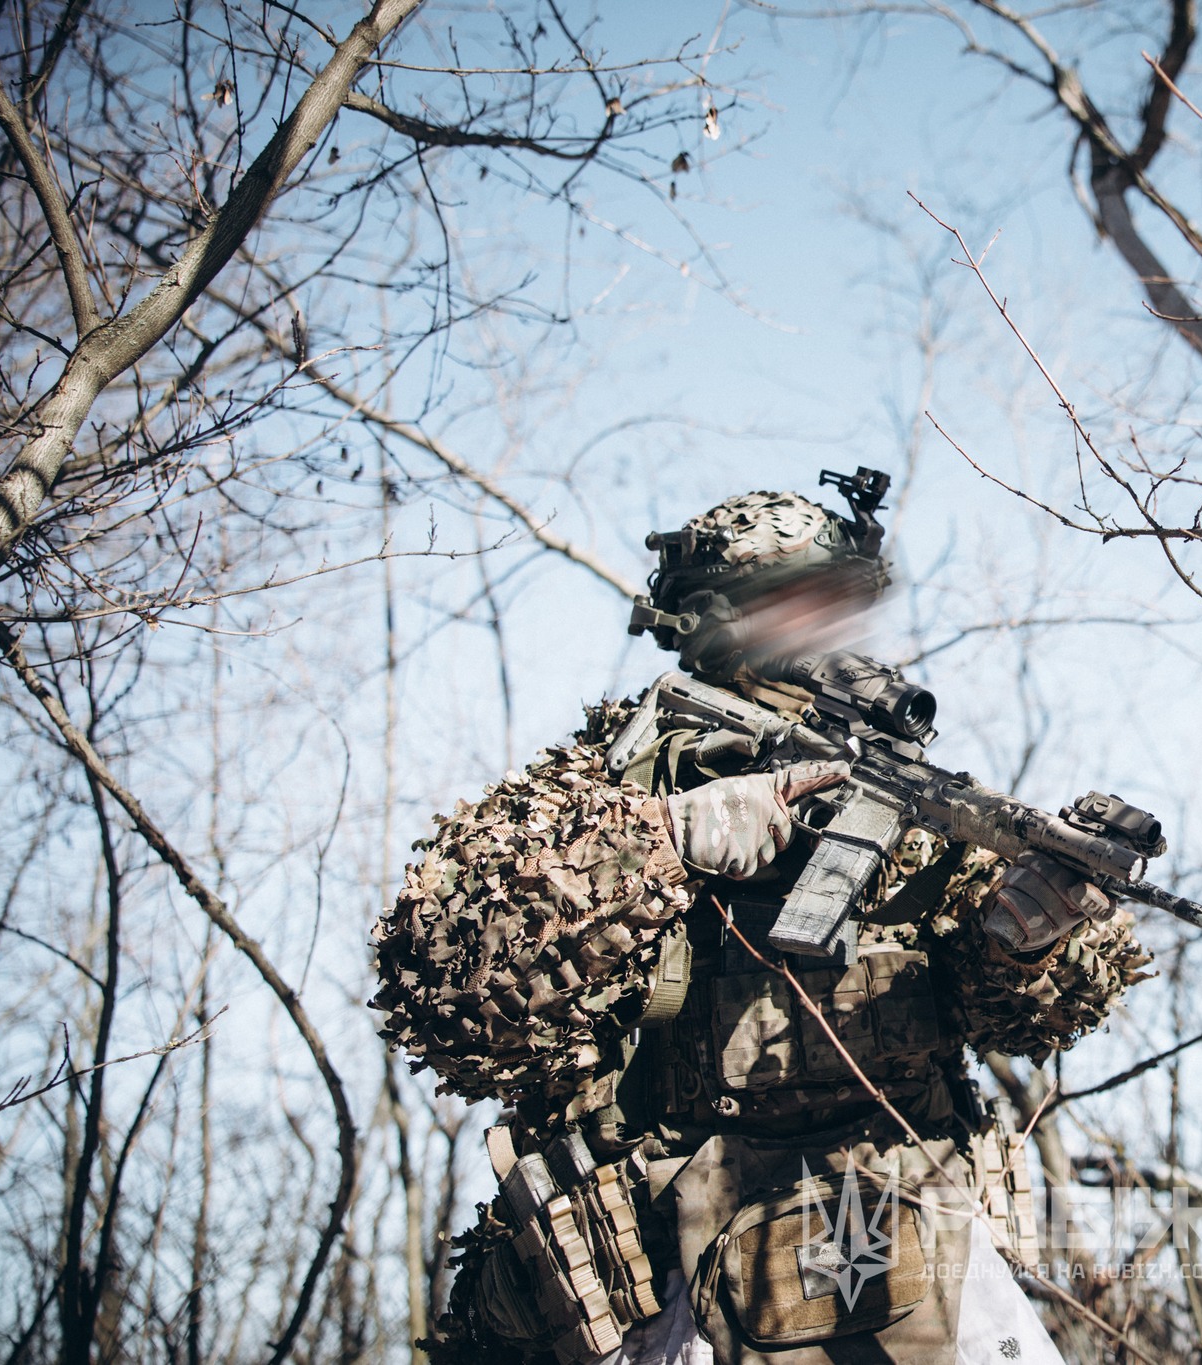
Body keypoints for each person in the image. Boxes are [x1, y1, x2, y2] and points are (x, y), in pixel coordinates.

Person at [372, 472, 1153, 1365]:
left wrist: (1027, 940)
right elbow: (443, 982)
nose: (819, 630)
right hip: (664, 1264)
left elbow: (1034, 1016)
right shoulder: (603, 784)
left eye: (833, 603)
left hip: (914, 1255)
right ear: (716, 619)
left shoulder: (905, 800)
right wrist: (662, 841)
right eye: (788, 604)